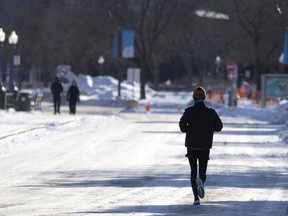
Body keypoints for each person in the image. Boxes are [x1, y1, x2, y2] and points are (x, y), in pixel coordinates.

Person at [179, 86, 223, 206]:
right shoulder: (211, 112)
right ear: (204, 97)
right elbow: (219, 127)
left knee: (193, 171)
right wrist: (209, 128)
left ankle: (196, 199)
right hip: (205, 146)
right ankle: (202, 183)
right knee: (202, 170)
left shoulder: (189, 111)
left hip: (191, 145)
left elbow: (182, 126)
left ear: (193, 97)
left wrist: (188, 129)